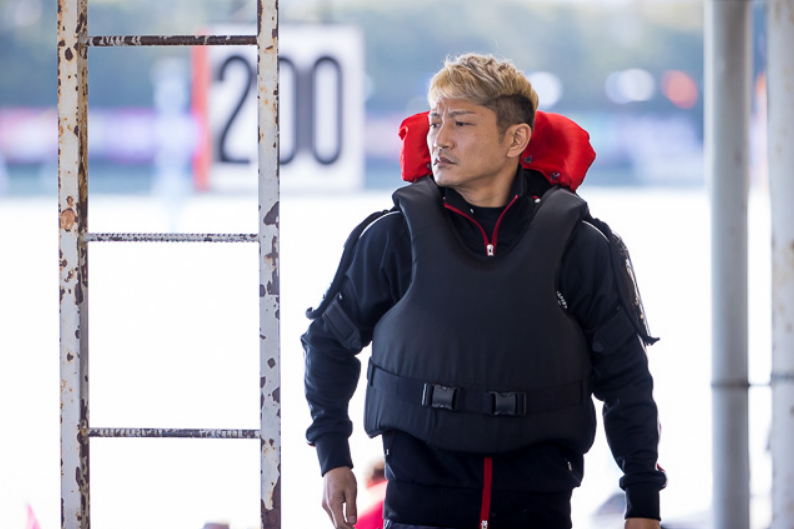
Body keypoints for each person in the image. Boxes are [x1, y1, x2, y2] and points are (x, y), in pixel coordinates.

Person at [303, 53, 666, 529]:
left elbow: (626, 380)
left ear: (516, 139)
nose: (440, 139)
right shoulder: (393, 238)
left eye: (461, 122)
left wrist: (643, 502)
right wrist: (333, 458)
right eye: (435, 121)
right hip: (417, 511)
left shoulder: (579, 246)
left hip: (539, 511)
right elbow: (327, 343)